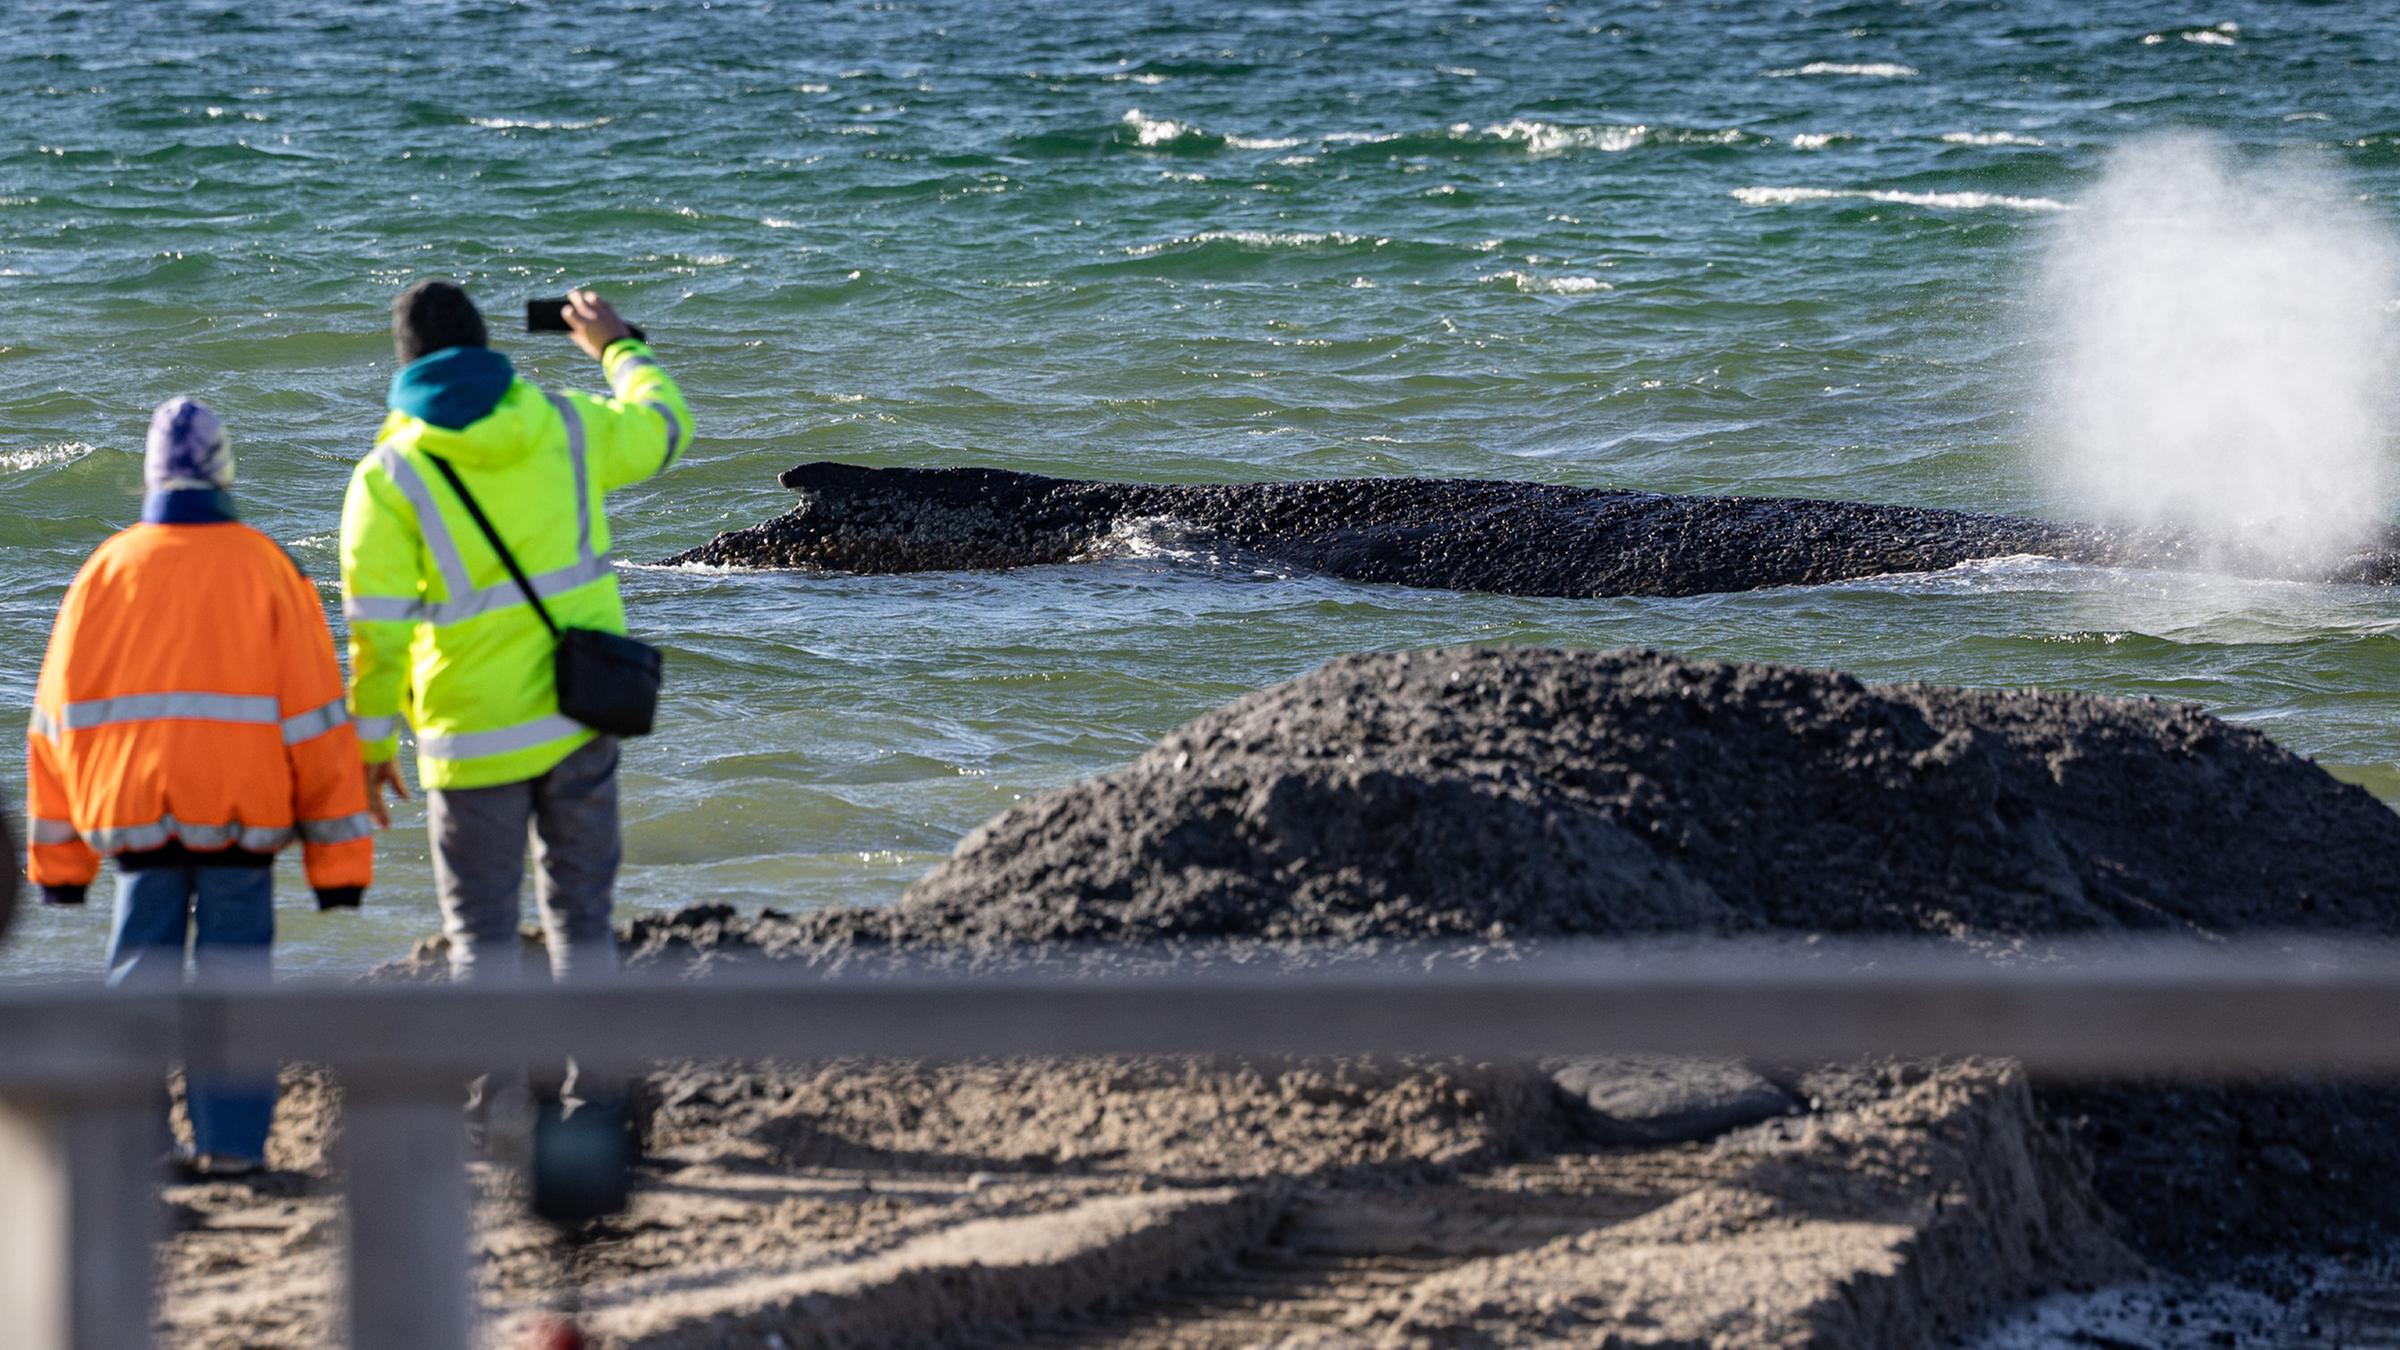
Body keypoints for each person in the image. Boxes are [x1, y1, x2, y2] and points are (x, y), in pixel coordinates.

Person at [26, 397, 376, 1177]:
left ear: (151, 475)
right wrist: (338, 866)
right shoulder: (269, 569)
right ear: (224, 471)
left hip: (136, 823)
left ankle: (135, 1143)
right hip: (241, 823)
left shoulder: (104, 572)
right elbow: (318, 724)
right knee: (237, 987)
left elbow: (53, 724)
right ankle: (234, 1148)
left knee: (136, 982)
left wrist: (60, 865)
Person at [340, 283, 690, 990]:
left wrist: (372, 748)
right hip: (578, 713)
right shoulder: (565, 424)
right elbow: (666, 424)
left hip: (469, 735)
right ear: (486, 345)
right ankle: (591, 1064)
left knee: (479, 938)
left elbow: (378, 640)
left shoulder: (388, 477)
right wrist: (617, 348)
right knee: (584, 921)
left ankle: (495, 1069)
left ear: (407, 363)